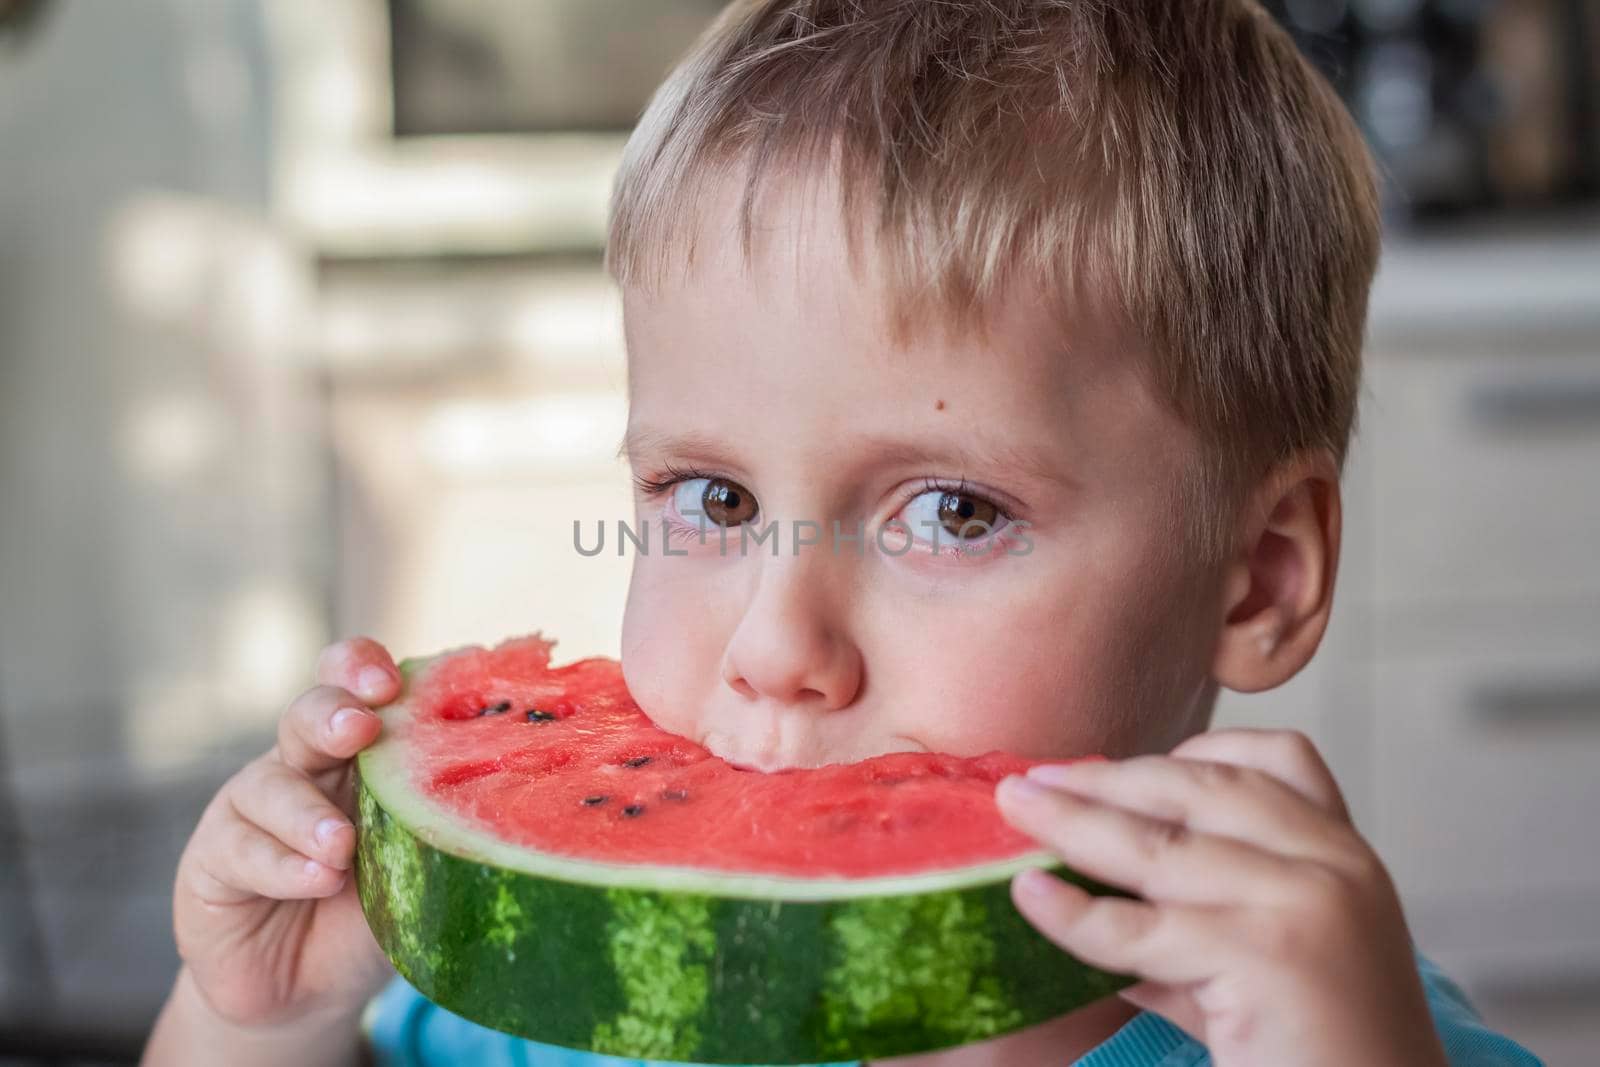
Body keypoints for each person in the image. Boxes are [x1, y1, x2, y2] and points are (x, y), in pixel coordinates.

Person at [140, 1, 1545, 1065]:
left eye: (951, 510)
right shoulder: (553, 1012)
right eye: (713, 499)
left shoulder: (1344, 1033)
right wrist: (252, 1015)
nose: (777, 649)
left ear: (1261, 580)